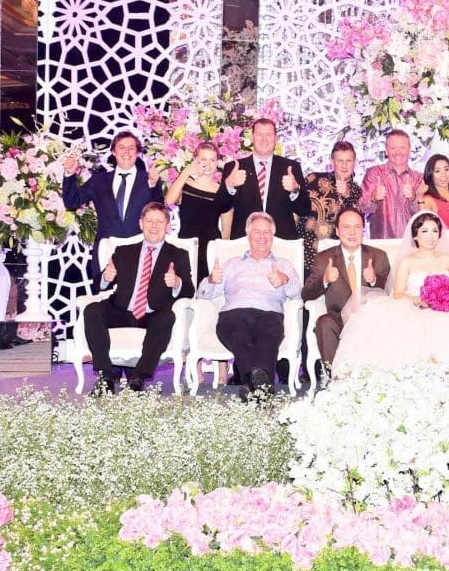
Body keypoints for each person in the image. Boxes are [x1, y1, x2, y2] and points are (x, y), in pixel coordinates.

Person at [331, 211, 449, 374]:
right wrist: (419, 300)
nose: (430, 236)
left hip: (447, 312)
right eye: (424, 231)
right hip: (412, 310)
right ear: (415, 236)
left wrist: (443, 301)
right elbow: (397, 294)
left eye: (435, 231)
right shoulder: (407, 262)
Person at [83, 203, 193, 394]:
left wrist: (176, 282)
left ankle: (138, 378)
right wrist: (105, 278)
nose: (154, 226)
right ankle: (106, 377)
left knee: (166, 317)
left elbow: (190, 291)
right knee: (92, 310)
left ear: (167, 226)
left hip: (154, 314)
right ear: (141, 223)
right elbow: (99, 284)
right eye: (149, 220)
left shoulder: (178, 254)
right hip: (122, 311)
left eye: (160, 221)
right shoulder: (124, 251)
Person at [198, 212, 302, 399]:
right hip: (234, 314)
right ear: (248, 235)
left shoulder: (283, 264)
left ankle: (249, 383)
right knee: (239, 335)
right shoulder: (231, 264)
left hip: (269, 314)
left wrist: (284, 279)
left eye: (267, 232)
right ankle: (262, 386)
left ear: (273, 236)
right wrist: (211, 280)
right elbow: (204, 295)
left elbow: (296, 292)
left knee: (267, 340)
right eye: (257, 232)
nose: (262, 237)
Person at [63, 131, 163, 284]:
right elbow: (72, 202)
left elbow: (159, 210)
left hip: (139, 251)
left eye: (131, 148)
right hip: (106, 252)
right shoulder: (98, 180)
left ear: (137, 153)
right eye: (121, 147)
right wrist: (70, 174)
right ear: (113, 152)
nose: (126, 152)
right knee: (104, 303)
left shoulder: (149, 179)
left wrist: (153, 185)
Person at [302, 207, 391, 371]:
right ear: (337, 230)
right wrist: (325, 279)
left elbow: (389, 294)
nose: (352, 232)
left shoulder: (379, 257)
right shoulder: (324, 258)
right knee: (324, 323)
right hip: (339, 320)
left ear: (363, 230)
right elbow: (306, 294)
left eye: (357, 227)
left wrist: (374, 281)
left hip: (371, 319)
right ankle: (337, 379)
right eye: (346, 227)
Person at [216, 118, 309, 241]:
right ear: (252, 138)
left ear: (276, 139)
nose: (264, 139)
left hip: (281, 242)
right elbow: (220, 207)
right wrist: (229, 186)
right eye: (260, 134)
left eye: (269, 135)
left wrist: (295, 190)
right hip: (245, 242)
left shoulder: (291, 167)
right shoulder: (233, 168)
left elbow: (305, 209)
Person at [299, 140, 362, 276]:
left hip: (336, 256)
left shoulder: (357, 190)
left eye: (348, 161)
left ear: (355, 163)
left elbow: (357, 218)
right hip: (306, 251)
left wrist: (346, 193)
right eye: (340, 161)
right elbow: (295, 206)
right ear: (332, 162)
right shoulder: (313, 178)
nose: (344, 165)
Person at [165, 142, 222, 276]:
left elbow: (226, 228)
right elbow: (169, 201)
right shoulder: (186, 183)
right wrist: (185, 173)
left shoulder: (221, 191)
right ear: (196, 160)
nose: (207, 164)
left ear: (217, 163)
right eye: (203, 159)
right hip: (186, 242)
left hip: (210, 246)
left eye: (212, 160)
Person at [359, 129, 426, 239]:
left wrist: (414, 197)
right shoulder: (374, 173)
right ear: (386, 151)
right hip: (382, 243)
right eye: (393, 148)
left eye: (403, 148)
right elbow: (362, 208)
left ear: (410, 150)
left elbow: (425, 215)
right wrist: (373, 197)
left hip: (412, 244)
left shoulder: (419, 178)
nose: (398, 152)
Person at [420, 154, 449, 230]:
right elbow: (425, 228)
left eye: (446, 169)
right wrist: (420, 198)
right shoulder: (428, 200)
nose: (443, 174)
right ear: (430, 174)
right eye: (437, 171)